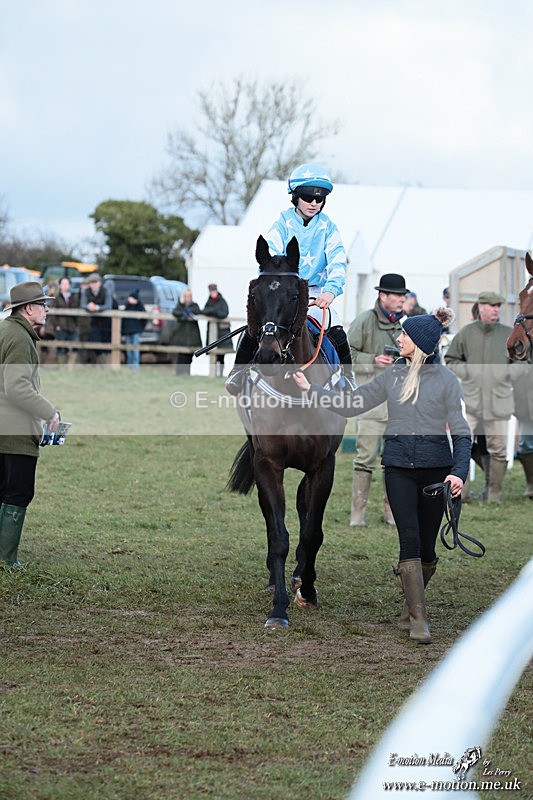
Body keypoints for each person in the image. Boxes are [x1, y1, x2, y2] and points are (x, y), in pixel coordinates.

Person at [292, 307, 471, 644]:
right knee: (410, 541)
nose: (398, 338)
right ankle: (420, 619)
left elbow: (462, 432)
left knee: (429, 551)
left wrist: (459, 473)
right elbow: (352, 402)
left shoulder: (448, 382)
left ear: (419, 343)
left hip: (437, 473)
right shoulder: (392, 376)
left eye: (404, 335)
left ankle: (410, 606)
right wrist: (310, 389)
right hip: (399, 469)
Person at [225, 163, 356, 395]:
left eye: (320, 198)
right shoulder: (281, 225)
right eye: (307, 197)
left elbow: (338, 262)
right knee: (255, 326)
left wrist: (331, 291)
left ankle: (347, 377)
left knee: (336, 330)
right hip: (284, 292)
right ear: (295, 196)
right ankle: (238, 371)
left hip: (315, 293)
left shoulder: (328, 228)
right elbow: (270, 260)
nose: (314, 203)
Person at [0, 282, 61, 566]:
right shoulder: (20, 338)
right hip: (13, 432)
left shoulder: (6, 330)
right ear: (28, 309)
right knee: (18, 492)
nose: (47, 308)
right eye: (42, 304)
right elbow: (17, 388)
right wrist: (49, 411)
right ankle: (6, 559)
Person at [347, 273, 408, 526]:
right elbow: (345, 355)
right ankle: (357, 514)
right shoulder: (364, 321)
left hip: (399, 407)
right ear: (383, 296)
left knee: (394, 463)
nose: (402, 300)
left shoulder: (405, 325)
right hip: (371, 405)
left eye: (403, 296)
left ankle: (391, 513)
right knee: (364, 460)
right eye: (397, 296)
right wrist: (372, 360)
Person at [445, 290, 513, 503]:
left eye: (498, 307)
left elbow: (522, 362)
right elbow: (451, 359)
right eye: (491, 306)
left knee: (499, 451)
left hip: (499, 401)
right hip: (470, 400)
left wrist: (507, 374)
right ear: (481, 307)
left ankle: (494, 495)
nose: (495, 310)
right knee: (462, 446)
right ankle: (461, 494)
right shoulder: (466, 333)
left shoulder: (509, 334)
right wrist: (468, 372)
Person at [81, 273, 113, 364]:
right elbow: (82, 304)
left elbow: (108, 305)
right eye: (92, 282)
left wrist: (97, 307)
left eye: (96, 282)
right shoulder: (86, 291)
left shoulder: (105, 291)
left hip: (106, 322)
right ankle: (99, 363)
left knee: (106, 342)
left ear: (99, 283)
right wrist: (88, 306)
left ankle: (105, 364)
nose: (94, 284)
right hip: (93, 321)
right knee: (94, 340)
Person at [201, 283, 232, 377]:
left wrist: (213, 312)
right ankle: (213, 373)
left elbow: (224, 313)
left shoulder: (222, 301)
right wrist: (213, 312)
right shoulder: (209, 301)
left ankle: (220, 374)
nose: (212, 293)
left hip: (222, 332)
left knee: (222, 356)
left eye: (214, 291)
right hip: (212, 332)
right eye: (211, 291)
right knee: (213, 354)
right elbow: (204, 311)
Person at [170, 288, 202, 375]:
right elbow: (175, 312)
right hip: (181, 336)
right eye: (186, 296)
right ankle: (179, 373)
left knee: (189, 357)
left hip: (192, 337)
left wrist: (190, 312)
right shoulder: (180, 305)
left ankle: (187, 373)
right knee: (181, 356)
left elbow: (198, 311)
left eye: (189, 296)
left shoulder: (194, 305)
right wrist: (183, 314)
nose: (188, 298)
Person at [51, 276, 79, 364]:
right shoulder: (56, 297)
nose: (65, 286)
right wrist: (56, 325)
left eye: (67, 284)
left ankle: (70, 367)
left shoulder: (74, 297)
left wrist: (76, 324)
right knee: (60, 348)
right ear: (59, 285)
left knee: (75, 346)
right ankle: (61, 367)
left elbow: (77, 310)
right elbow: (52, 313)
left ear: (70, 285)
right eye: (63, 283)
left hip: (72, 326)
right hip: (61, 326)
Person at [121, 289, 146, 369]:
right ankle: (129, 365)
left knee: (135, 349)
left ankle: (135, 366)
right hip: (128, 331)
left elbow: (144, 319)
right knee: (129, 350)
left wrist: (141, 329)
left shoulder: (140, 307)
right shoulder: (127, 306)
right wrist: (123, 330)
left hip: (135, 331)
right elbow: (123, 319)